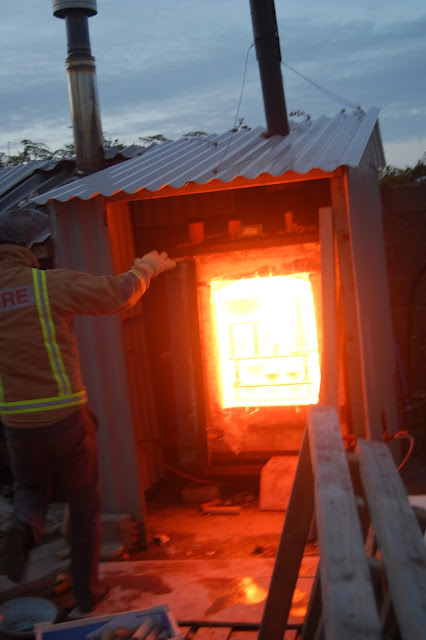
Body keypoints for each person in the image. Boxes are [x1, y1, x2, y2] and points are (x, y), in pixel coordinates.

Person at [0, 208, 176, 614]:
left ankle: (25, 529)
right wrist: (148, 266)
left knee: (30, 492)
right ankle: (87, 594)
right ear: (27, 249)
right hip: (65, 417)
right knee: (84, 507)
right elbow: (118, 293)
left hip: (16, 422)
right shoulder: (47, 286)